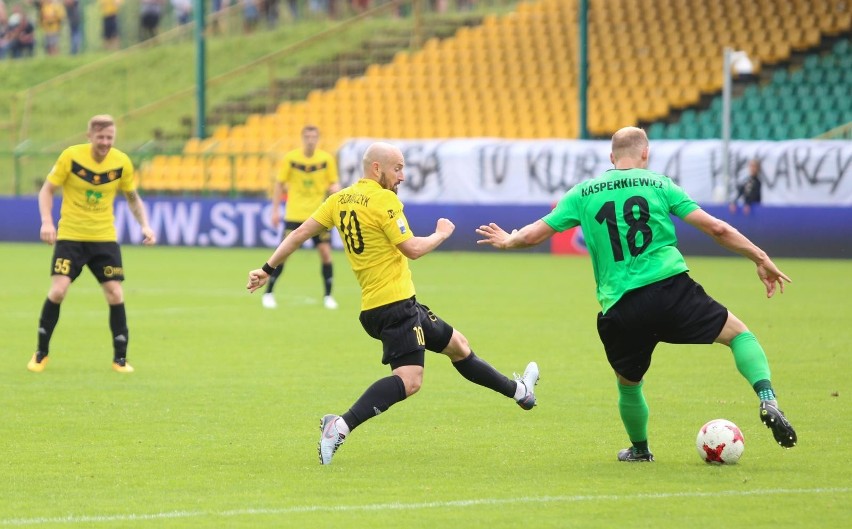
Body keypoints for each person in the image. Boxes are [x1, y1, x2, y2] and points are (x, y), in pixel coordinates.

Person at [476, 126, 796, 462]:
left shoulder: (584, 192)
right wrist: (759, 257)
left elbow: (534, 235)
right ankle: (767, 397)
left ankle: (641, 450)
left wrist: (509, 240)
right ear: (645, 154)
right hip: (671, 290)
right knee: (738, 335)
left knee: (629, 383)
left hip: (621, 305)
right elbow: (717, 227)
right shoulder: (659, 184)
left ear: (611, 157)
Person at [247, 142, 540, 465]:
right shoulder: (384, 201)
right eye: (397, 168)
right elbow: (412, 248)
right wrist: (442, 233)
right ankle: (340, 425)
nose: (402, 176)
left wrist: (266, 268)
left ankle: (520, 392)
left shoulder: (339, 200)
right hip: (394, 306)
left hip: (385, 306)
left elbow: (300, 232)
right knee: (410, 380)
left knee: (458, 345)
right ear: (377, 169)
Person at [28, 115, 156, 374]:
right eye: (101, 138)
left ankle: (120, 359)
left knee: (115, 293)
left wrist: (145, 224)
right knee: (58, 291)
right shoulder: (71, 157)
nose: (106, 143)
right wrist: (46, 222)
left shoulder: (121, 162)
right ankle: (41, 353)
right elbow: (47, 190)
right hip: (71, 237)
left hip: (104, 238)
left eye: (110, 138)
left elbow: (132, 197)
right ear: (89, 137)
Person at [262, 125, 340, 310]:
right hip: (295, 214)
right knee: (283, 255)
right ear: (302, 138)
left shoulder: (326, 159)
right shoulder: (291, 158)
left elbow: (334, 182)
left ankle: (328, 296)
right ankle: (269, 293)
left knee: (326, 254)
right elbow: (280, 184)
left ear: (318, 138)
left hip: (318, 215)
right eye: (307, 137)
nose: (310, 140)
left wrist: (336, 188)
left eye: (314, 136)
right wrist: (275, 210)